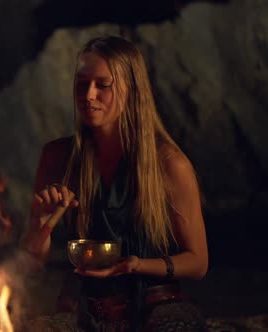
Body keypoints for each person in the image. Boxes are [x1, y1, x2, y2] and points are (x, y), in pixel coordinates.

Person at [22, 36, 208, 331]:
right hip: (83, 310)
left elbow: (198, 263)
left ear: (131, 90)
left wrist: (136, 265)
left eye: (102, 85)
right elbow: (30, 266)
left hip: (156, 306)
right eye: (82, 84)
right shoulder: (58, 157)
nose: (89, 95)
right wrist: (39, 223)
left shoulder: (169, 165)